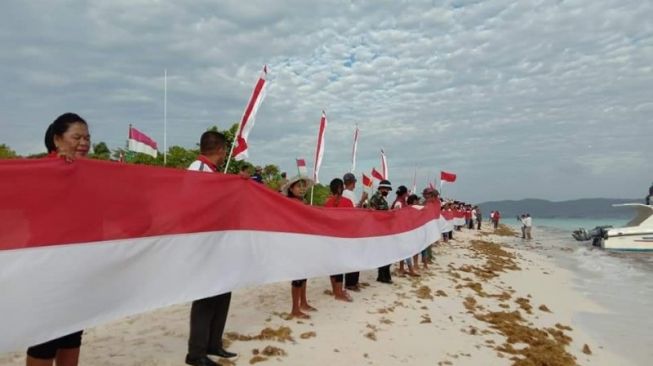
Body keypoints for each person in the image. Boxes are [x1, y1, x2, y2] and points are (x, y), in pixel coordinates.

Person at [26, 113, 90, 366]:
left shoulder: (88, 174)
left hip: (78, 271)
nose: (84, 142)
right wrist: (55, 171)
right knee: (44, 340)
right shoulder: (40, 172)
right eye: (76, 137)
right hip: (47, 269)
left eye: (87, 137)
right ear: (57, 139)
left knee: (72, 335)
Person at [185, 131, 238, 366]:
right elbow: (191, 206)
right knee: (205, 298)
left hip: (219, 244)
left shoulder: (214, 172)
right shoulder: (197, 169)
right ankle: (196, 353)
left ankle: (213, 343)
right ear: (220, 150)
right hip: (202, 245)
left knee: (223, 293)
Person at [281, 175, 318, 318]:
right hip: (295, 243)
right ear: (291, 188)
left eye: (304, 186)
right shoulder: (289, 202)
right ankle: (294, 309)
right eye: (298, 186)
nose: (302, 188)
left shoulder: (303, 202)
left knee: (304, 274)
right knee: (297, 277)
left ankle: (303, 302)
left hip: (305, 242)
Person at [324, 178, 354, 302]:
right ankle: (339, 292)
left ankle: (334, 290)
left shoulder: (327, 203)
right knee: (340, 266)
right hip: (343, 238)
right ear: (341, 188)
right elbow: (352, 220)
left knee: (332, 265)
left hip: (330, 238)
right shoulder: (347, 202)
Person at [342, 172, 368, 292]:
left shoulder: (347, 193)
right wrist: (362, 199)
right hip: (351, 230)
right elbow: (354, 211)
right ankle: (350, 283)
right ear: (352, 183)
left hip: (352, 229)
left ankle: (354, 281)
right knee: (354, 257)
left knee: (355, 256)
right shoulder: (347, 194)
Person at [370, 179, 393, 284]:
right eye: (387, 190)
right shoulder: (376, 198)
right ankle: (383, 276)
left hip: (384, 230)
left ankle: (384, 275)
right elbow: (372, 214)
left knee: (387, 253)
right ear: (382, 188)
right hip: (379, 230)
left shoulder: (382, 199)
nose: (388, 192)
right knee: (385, 254)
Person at [392, 186, 418, 277]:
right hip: (400, 230)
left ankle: (402, 268)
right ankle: (410, 269)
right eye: (406, 192)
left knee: (403, 250)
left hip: (403, 229)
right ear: (403, 194)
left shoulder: (402, 202)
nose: (407, 194)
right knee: (406, 249)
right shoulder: (399, 202)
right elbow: (396, 214)